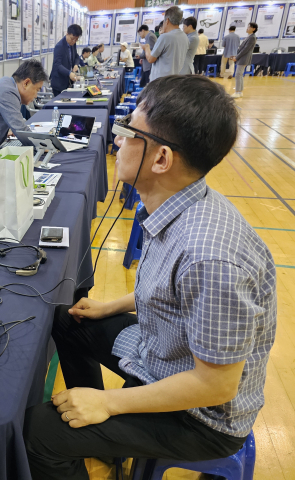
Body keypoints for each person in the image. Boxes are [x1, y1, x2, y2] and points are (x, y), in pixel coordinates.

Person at [23, 74, 276, 480]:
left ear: (161, 159)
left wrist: (110, 405)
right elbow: (166, 292)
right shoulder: (178, 203)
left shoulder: (210, 257)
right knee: (68, 319)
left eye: (128, 132)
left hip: (202, 417)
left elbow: (216, 387)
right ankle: (90, 427)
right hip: (163, 353)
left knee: (37, 434)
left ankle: (87, 423)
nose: (117, 141)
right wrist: (108, 307)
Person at [142, 6, 188, 82]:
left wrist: (146, 47)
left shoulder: (165, 37)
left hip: (160, 81)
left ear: (167, 20)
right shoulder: (184, 37)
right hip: (174, 79)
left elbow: (150, 59)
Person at [50, 24, 84, 98]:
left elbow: (76, 56)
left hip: (68, 82)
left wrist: (76, 64)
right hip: (59, 82)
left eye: (76, 40)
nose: (74, 41)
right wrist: (69, 73)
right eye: (72, 39)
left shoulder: (73, 44)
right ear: (67, 34)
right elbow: (57, 65)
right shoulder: (59, 46)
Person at [231, 22, 258, 99]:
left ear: (253, 29)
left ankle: (237, 92)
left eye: (249, 27)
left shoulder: (252, 37)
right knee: (240, 75)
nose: (247, 28)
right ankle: (240, 91)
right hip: (242, 57)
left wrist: (237, 57)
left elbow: (245, 50)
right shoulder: (249, 36)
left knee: (238, 74)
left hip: (244, 58)